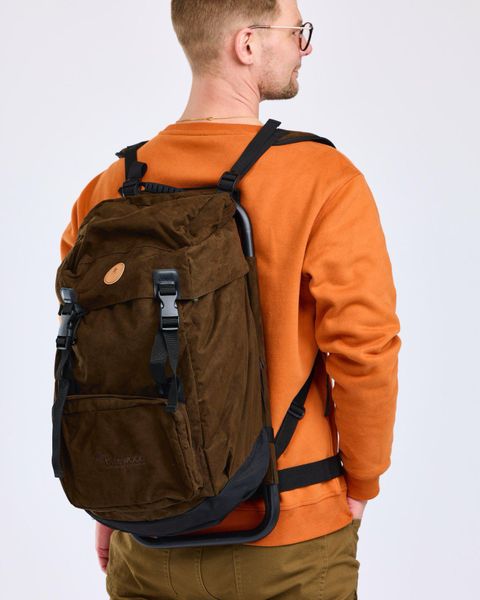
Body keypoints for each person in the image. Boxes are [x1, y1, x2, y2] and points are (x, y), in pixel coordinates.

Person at [60, 1, 401, 598]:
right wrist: (363, 481)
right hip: (287, 532)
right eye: (296, 32)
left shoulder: (108, 190)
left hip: (147, 536)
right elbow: (364, 346)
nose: (305, 47)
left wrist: (115, 503)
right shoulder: (321, 178)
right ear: (247, 44)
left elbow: (98, 361)